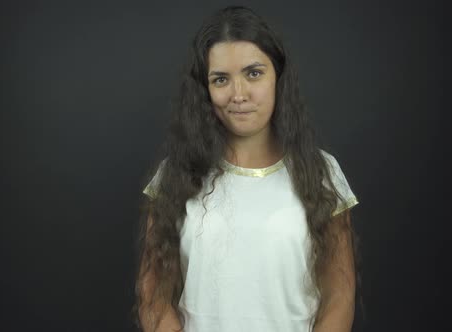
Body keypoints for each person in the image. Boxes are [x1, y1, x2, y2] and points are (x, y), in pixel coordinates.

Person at [133, 5, 360, 332]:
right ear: (206, 89)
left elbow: (340, 294)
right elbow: (152, 291)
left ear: (277, 77)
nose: (238, 94)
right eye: (221, 79)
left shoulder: (321, 172)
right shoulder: (175, 174)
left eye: (253, 73)